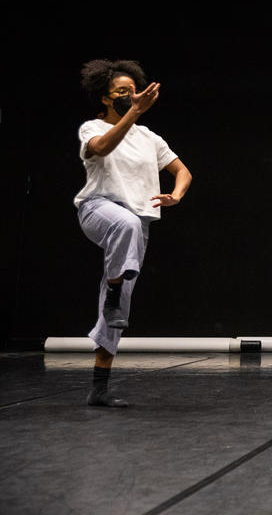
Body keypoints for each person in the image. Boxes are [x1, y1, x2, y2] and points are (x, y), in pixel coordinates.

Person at [75, 59, 192, 407]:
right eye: (121, 92)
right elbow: (101, 148)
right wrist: (134, 113)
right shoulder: (91, 128)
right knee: (123, 225)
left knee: (119, 305)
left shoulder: (149, 137)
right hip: (99, 209)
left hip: (138, 222)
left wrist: (177, 194)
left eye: (133, 90)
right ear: (106, 98)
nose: (130, 95)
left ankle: (99, 387)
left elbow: (182, 169)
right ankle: (114, 290)